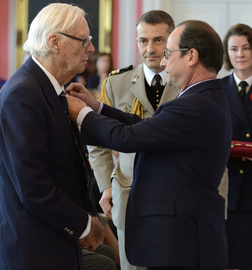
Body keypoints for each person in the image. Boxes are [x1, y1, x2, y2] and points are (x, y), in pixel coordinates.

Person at [66, 19, 232, 270]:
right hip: (181, 234)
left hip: (180, 240)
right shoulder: (203, 97)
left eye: (168, 53)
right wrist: (96, 106)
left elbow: (128, 138)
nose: (163, 62)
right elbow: (144, 127)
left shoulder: (195, 105)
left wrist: (82, 114)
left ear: (191, 56)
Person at [0, 3, 105, 270]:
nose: (91, 48)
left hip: (51, 242)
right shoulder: (22, 95)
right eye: (84, 39)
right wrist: (85, 226)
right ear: (54, 42)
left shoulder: (45, 88)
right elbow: (35, 186)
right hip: (34, 250)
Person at [88, 10, 177, 270]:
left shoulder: (184, 81)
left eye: (159, 40)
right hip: (128, 193)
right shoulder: (117, 83)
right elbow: (96, 139)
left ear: (171, 40)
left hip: (174, 193)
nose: (150, 48)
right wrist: (105, 185)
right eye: (143, 41)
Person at [222, 23, 252, 270]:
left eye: (245, 48)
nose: (240, 54)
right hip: (227, 186)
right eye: (234, 49)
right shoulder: (218, 89)